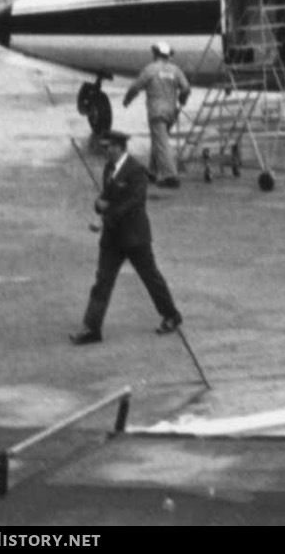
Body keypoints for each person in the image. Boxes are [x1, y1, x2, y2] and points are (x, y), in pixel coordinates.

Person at [70, 131, 182, 344]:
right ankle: (92, 328)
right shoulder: (109, 168)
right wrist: (98, 205)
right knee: (102, 281)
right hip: (113, 239)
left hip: (134, 238)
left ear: (119, 148)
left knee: (150, 278)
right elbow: (107, 197)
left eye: (108, 147)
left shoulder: (136, 172)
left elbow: (132, 203)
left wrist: (105, 218)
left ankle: (171, 315)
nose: (105, 151)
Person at [122, 40, 190, 187]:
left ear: (155, 54)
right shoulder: (175, 70)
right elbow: (186, 88)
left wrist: (127, 99)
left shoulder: (151, 69)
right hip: (171, 112)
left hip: (156, 112)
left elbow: (136, 86)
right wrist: (181, 100)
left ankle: (170, 176)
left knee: (161, 143)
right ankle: (153, 172)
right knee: (158, 139)